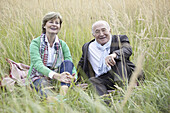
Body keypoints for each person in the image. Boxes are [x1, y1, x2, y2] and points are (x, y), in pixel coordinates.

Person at [77, 20, 143, 96]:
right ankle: (105, 103)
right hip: (104, 79)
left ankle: (122, 92)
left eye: (104, 30)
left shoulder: (119, 39)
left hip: (123, 74)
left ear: (110, 30)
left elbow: (127, 50)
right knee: (92, 80)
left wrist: (114, 55)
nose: (101, 34)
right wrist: (77, 82)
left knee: (117, 60)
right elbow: (81, 66)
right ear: (93, 34)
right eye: (97, 31)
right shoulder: (88, 47)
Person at [28, 12, 77, 99]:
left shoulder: (62, 44)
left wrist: (73, 77)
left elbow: (70, 63)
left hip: (59, 75)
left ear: (59, 27)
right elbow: (37, 64)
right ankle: (53, 100)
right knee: (44, 87)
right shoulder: (36, 43)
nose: (54, 25)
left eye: (57, 23)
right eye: (51, 22)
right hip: (39, 75)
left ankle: (63, 92)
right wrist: (56, 76)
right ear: (44, 25)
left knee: (67, 63)